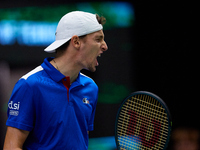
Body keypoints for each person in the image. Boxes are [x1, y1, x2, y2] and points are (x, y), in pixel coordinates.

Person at [3, 11, 108, 150]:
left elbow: (80, 141)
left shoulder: (91, 87)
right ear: (76, 42)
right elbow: (11, 146)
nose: (105, 46)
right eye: (98, 39)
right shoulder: (29, 85)